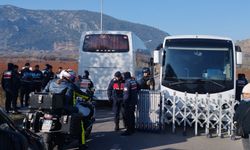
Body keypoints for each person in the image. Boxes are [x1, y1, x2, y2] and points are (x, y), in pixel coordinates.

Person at [43, 70, 89, 149]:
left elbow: (44, 92)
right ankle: (82, 144)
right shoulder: (70, 85)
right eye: (72, 78)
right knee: (80, 123)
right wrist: (88, 97)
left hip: (50, 109)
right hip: (66, 109)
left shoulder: (51, 82)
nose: (73, 79)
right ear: (69, 78)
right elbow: (82, 94)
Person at [121, 71, 139, 136]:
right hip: (134, 101)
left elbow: (126, 95)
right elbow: (138, 87)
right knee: (132, 116)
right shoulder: (133, 81)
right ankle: (133, 129)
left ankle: (129, 131)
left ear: (126, 76)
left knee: (128, 117)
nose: (123, 77)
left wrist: (124, 102)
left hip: (128, 103)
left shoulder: (127, 83)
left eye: (123, 76)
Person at [234, 83, 250, 150]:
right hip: (245, 129)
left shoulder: (241, 103)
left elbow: (236, 115)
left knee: (246, 145)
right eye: (244, 94)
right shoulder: (242, 103)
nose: (244, 95)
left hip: (243, 130)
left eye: (246, 94)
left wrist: (234, 121)